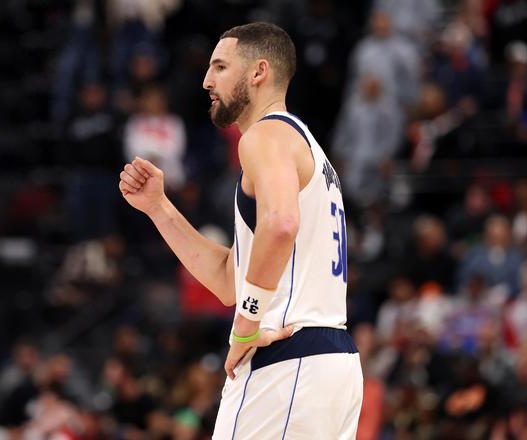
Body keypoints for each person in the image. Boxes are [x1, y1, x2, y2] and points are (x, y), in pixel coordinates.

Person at [119, 22, 362, 440]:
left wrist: (246, 325)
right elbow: (230, 280)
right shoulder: (306, 149)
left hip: (284, 357)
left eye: (220, 67)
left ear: (258, 72)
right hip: (329, 365)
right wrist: (159, 208)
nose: (206, 80)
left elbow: (281, 225)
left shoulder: (266, 134)